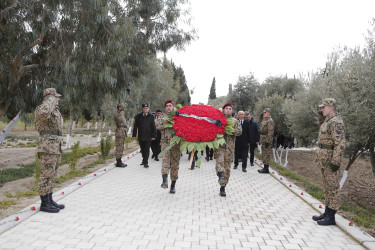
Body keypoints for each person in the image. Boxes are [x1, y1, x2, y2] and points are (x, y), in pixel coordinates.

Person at [312, 98, 345, 226]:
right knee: (327, 186)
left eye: (323, 107)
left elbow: (340, 144)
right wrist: (320, 115)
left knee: (333, 187)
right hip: (324, 159)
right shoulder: (328, 120)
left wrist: (336, 161)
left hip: (330, 159)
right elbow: (321, 126)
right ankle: (327, 211)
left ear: (331, 108)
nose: (321, 109)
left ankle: (331, 217)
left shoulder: (337, 122)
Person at [35, 88, 65, 213]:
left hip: (55, 147)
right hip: (47, 147)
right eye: (55, 97)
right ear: (49, 97)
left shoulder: (54, 110)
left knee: (51, 175)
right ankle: (44, 204)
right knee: (46, 175)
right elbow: (44, 114)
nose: (58, 99)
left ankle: (49, 198)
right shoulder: (42, 108)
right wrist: (50, 101)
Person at [214, 103, 242, 197]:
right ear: (223, 109)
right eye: (226, 108)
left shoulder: (235, 121)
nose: (228, 110)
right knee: (219, 163)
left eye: (230, 108)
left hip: (230, 149)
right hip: (220, 147)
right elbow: (212, 130)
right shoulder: (218, 119)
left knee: (227, 168)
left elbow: (239, 132)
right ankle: (220, 176)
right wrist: (217, 126)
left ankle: (223, 188)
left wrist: (230, 130)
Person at [155, 99, 181, 194]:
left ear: (173, 106)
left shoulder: (178, 116)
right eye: (167, 106)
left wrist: (176, 119)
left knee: (175, 165)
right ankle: (164, 181)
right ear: (165, 108)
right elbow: (157, 125)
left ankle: (173, 185)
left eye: (170, 105)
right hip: (165, 144)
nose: (169, 107)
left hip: (176, 145)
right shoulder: (162, 117)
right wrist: (169, 122)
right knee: (165, 161)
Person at [132, 103, 157, 168]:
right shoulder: (139, 116)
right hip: (141, 135)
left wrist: (154, 135)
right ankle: (144, 159)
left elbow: (153, 126)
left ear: (148, 109)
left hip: (148, 136)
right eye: (144, 108)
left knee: (147, 149)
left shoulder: (151, 116)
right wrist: (134, 135)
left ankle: (146, 162)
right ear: (142, 109)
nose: (145, 109)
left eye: (146, 108)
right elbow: (135, 126)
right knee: (142, 149)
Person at [258, 108, 275, 174]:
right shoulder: (265, 120)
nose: (264, 114)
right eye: (264, 113)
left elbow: (270, 132)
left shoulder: (270, 121)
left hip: (267, 140)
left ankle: (266, 169)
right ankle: (265, 167)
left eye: (265, 113)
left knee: (266, 154)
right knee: (264, 153)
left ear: (269, 113)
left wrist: (268, 141)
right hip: (263, 139)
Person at [114, 103, 127, 168]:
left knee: (121, 146)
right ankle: (118, 162)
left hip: (122, 131)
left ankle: (119, 160)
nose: (123, 108)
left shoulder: (121, 114)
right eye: (122, 107)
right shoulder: (118, 114)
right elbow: (120, 121)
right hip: (119, 131)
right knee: (119, 146)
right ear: (119, 108)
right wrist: (121, 114)